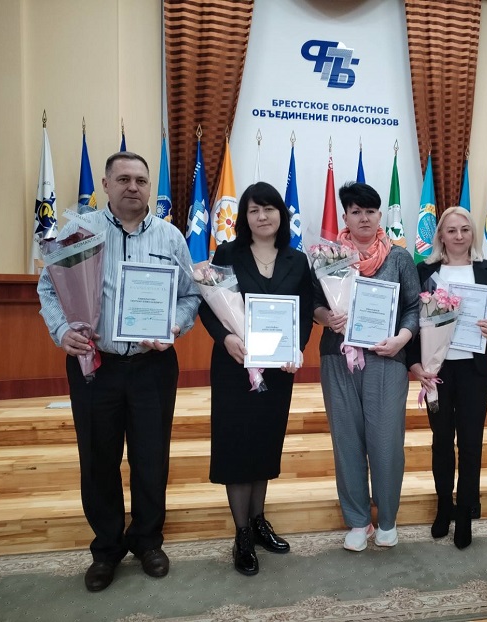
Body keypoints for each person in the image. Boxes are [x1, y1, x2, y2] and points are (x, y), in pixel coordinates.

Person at [37, 151, 201, 592]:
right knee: (98, 459)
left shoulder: (171, 237)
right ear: (106, 185)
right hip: (96, 365)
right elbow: (48, 288)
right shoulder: (78, 232)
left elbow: (190, 296)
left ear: (150, 188)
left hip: (152, 367)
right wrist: (61, 331)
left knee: (151, 457)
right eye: (124, 179)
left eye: (141, 180)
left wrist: (174, 325)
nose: (133, 187)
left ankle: (147, 541)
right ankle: (106, 549)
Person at [199, 182, 314, 576]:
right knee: (236, 446)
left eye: (269, 208)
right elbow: (208, 306)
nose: (262, 216)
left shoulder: (297, 260)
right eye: (253, 210)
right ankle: (242, 533)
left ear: (281, 214)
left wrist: (297, 349)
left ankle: (259, 520)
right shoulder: (228, 254)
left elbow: (303, 312)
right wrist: (226, 338)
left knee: (265, 443)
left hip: (278, 370)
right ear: (244, 217)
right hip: (234, 366)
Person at [314, 182, 420, 552]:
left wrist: (402, 339)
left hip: (386, 359)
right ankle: (359, 521)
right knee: (346, 441)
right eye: (356, 211)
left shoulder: (399, 258)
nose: (364, 218)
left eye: (370, 211)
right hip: (337, 357)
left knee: (386, 442)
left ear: (380, 215)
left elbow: (413, 306)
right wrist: (326, 317)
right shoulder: (328, 257)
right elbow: (314, 305)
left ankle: (387, 519)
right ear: (345, 216)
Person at [408, 206, 487, 549]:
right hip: (437, 372)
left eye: (465, 229)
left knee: (471, 443)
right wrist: (414, 365)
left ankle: (465, 512)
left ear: (473, 233)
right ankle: (442, 506)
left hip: (474, 371)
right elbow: (412, 319)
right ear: (441, 236)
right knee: (442, 441)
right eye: (451, 230)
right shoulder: (425, 270)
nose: (459, 235)